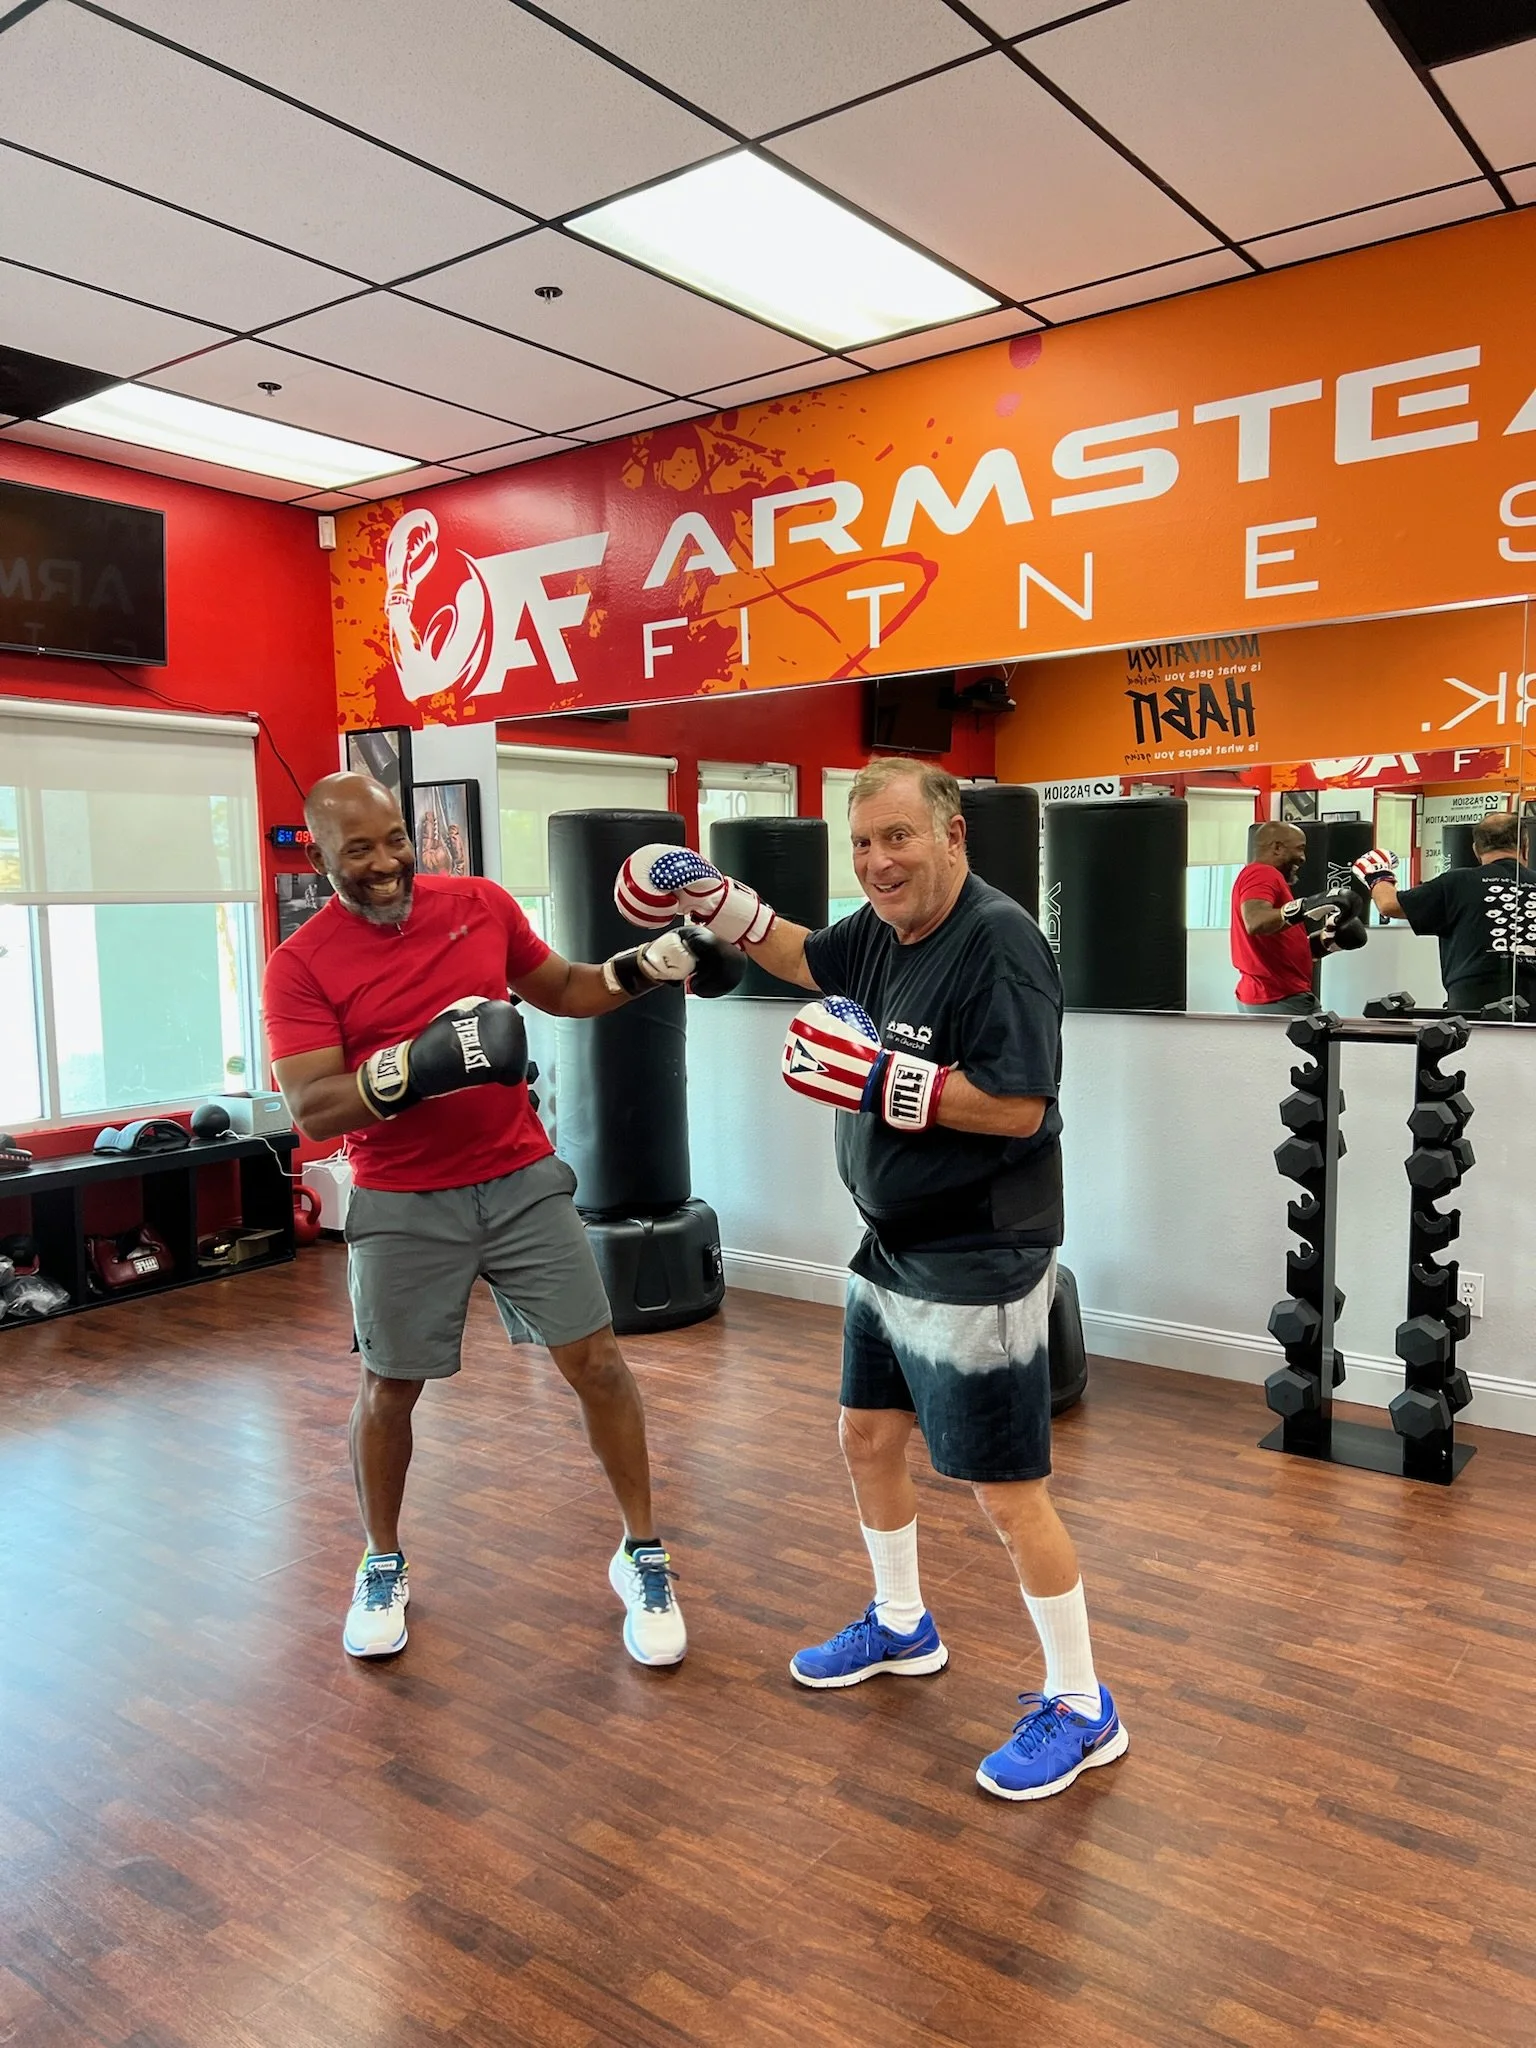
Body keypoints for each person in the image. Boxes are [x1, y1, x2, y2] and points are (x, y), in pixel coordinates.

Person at [615, 758, 1125, 1803]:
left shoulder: (998, 942)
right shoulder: (884, 931)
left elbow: (1021, 1105)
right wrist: (715, 895)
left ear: (952, 837)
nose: (878, 861)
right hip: (890, 1239)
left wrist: (888, 1083)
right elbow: (808, 956)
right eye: (862, 843)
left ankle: (1083, 1702)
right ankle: (902, 1624)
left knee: (1004, 1490)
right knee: (866, 1434)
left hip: (978, 1249)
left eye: (897, 838)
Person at [264, 772, 735, 1667]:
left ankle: (641, 1551)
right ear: (320, 855)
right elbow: (315, 1110)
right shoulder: (302, 964)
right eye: (357, 849)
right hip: (402, 1199)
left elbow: (565, 987)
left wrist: (661, 963)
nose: (385, 862)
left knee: (597, 1361)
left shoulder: (478, 904)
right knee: (391, 1388)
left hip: (519, 1179)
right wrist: (420, 1065)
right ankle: (382, 1560)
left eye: (394, 838)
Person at [1354, 811, 1536, 1014]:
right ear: (1526, 848)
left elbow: (1389, 904)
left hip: (1473, 1003)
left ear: (1476, 850)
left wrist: (1377, 874)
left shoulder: (1457, 883)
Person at [1229, 822, 1365, 1015]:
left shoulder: (1261, 877)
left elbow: (1277, 944)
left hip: (1269, 995)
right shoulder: (1262, 873)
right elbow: (1255, 921)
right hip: (1279, 997)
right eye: (1300, 849)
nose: (1303, 858)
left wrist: (1328, 940)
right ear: (1277, 847)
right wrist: (1309, 905)